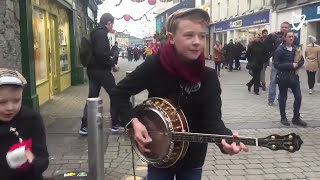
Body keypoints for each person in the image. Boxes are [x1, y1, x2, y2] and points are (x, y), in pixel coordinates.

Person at [111, 8, 248, 180]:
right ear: (171, 38)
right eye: (189, 35)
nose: (197, 42)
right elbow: (119, 93)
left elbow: (213, 122)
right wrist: (134, 122)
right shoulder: (155, 66)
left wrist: (225, 141)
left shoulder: (208, 77)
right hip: (158, 152)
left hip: (193, 158)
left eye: (202, 36)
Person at [0, 68, 49, 180]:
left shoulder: (31, 119)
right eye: (2, 102)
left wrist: (30, 161)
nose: (10, 108)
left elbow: (43, 159)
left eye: (17, 100)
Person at [79, 13, 122, 135]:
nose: (112, 26)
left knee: (92, 97)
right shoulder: (102, 34)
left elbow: (98, 53)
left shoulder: (94, 32)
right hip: (101, 71)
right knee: (115, 94)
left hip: (92, 71)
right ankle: (115, 124)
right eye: (112, 24)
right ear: (108, 23)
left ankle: (85, 126)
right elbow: (102, 54)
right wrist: (112, 63)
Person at [274, 31, 307, 127]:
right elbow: (276, 65)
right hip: (283, 77)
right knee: (283, 98)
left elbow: (302, 60)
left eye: (292, 37)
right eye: (289, 37)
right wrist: (290, 65)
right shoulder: (280, 50)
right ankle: (283, 117)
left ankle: (296, 118)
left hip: (294, 77)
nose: (291, 38)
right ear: (285, 38)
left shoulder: (296, 48)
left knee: (298, 97)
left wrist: (297, 65)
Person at [264, 22, 299, 106]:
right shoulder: (276, 36)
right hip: (276, 62)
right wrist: (271, 50)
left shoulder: (293, 37)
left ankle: (281, 98)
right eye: (282, 27)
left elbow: (297, 49)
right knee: (273, 81)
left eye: (285, 27)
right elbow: (265, 43)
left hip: (288, 63)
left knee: (285, 81)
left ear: (289, 28)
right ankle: (271, 100)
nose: (283, 28)